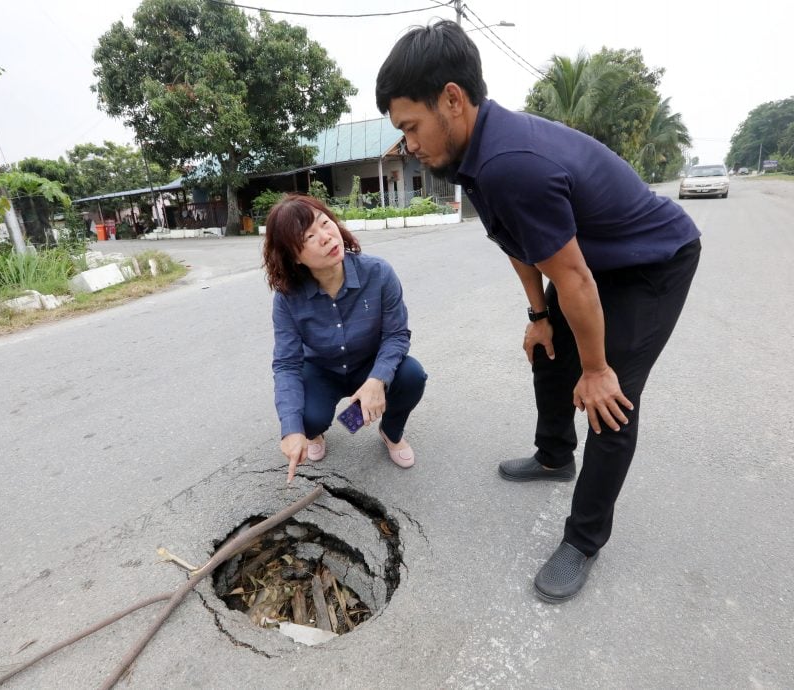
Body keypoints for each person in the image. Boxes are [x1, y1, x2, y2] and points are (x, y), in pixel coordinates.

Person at [376, 20, 701, 602]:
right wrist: (537, 317)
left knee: (612, 401)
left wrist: (598, 370)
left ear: (452, 99)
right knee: (548, 353)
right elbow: (516, 241)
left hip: (651, 261)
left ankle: (583, 540)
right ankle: (554, 457)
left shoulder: (511, 162)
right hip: (591, 261)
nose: (411, 144)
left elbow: (573, 276)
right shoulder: (470, 158)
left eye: (411, 127)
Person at [263, 193, 427, 484]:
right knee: (306, 419)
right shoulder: (288, 299)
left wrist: (377, 380)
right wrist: (291, 430)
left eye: (325, 223)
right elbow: (286, 364)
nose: (326, 237)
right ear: (294, 257)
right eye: (309, 236)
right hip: (322, 370)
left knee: (412, 376)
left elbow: (396, 334)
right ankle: (316, 431)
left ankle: (390, 432)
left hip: (369, 363)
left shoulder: (378, 272)